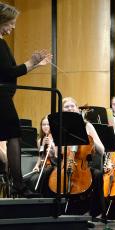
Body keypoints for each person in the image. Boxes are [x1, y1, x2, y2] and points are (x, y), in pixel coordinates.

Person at [0, 2, 52, 197]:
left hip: (4, 96)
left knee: (13, 136)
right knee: (14, 136)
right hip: (1, 97)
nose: (13, 27)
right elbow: (7, 72)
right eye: (11, 23)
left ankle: (17, 184)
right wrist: (31, 62)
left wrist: (35, 64)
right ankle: (19, 185)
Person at [62, 97, 106, 217]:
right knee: (48, 173)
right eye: (67, 107)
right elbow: (57, 153)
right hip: (65, 163)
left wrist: (88, 137)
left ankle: (94, 211)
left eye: (72, 106)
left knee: (97, 174)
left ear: (77, 108)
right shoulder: (60, 126)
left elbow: (102, 150)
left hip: (83, 165)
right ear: (62, 110)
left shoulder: (87, 126)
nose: (70, 108)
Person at [24, 116, 57, 197]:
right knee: (26, 178)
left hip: (54, 166)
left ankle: (40, 195)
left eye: (48, 124)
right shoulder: (39, 141)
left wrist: (51, 146)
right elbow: (41, 156)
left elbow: (57, 156)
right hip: (44, 166)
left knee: (46, 172)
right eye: (43, 124)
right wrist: (36, 166)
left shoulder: (56, 139)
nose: (45, 127)